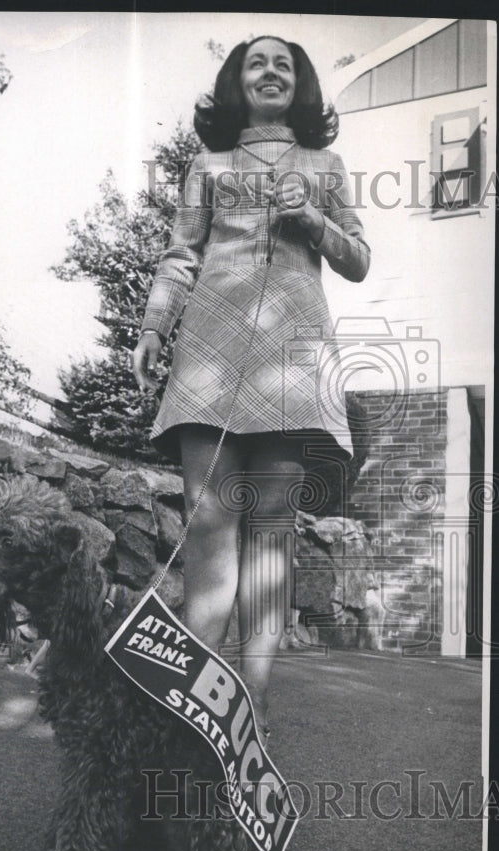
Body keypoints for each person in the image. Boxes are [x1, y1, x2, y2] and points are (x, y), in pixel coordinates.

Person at [133, 36, 370, 743]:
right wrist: (152, 328)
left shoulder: (325, 167)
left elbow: (357, 259)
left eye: (285, 64)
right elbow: (181, 257)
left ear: (302, 88)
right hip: (210, 353)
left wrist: (313, 219)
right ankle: (198, 712)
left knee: (271, 536)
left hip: (293, 360)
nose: (270, 71)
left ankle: (252, 711)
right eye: (256, 63)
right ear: (236, 83)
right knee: (208, 527)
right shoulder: (206, 166)